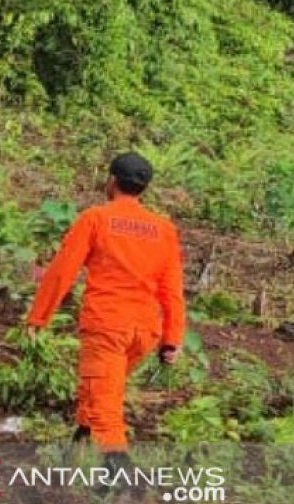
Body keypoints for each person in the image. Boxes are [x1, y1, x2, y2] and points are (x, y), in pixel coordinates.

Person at [24, 152, 185, 462]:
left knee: (105, 407)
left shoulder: (96, 218)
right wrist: (172, 340)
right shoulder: (164, 229)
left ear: (111, 180)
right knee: (99, 389)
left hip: (107, 327)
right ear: (144, 189)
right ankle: (77, 454)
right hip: (144, 333)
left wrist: (38, 318)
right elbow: (172, 290)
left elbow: (63, 272)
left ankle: (123, 482)